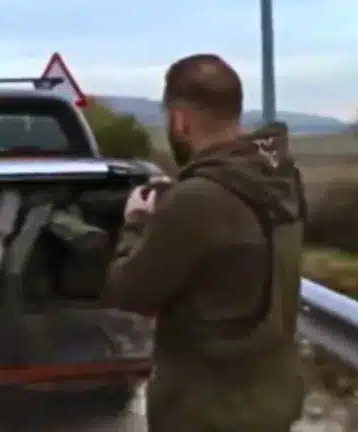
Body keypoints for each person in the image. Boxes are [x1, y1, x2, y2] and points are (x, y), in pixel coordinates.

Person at [101, 54, 306, 431]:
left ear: (180, 119)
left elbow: (130, 292)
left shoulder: (198, 198)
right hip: (272, 404)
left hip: (207, 415)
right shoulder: (280, 179)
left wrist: (136, 223)